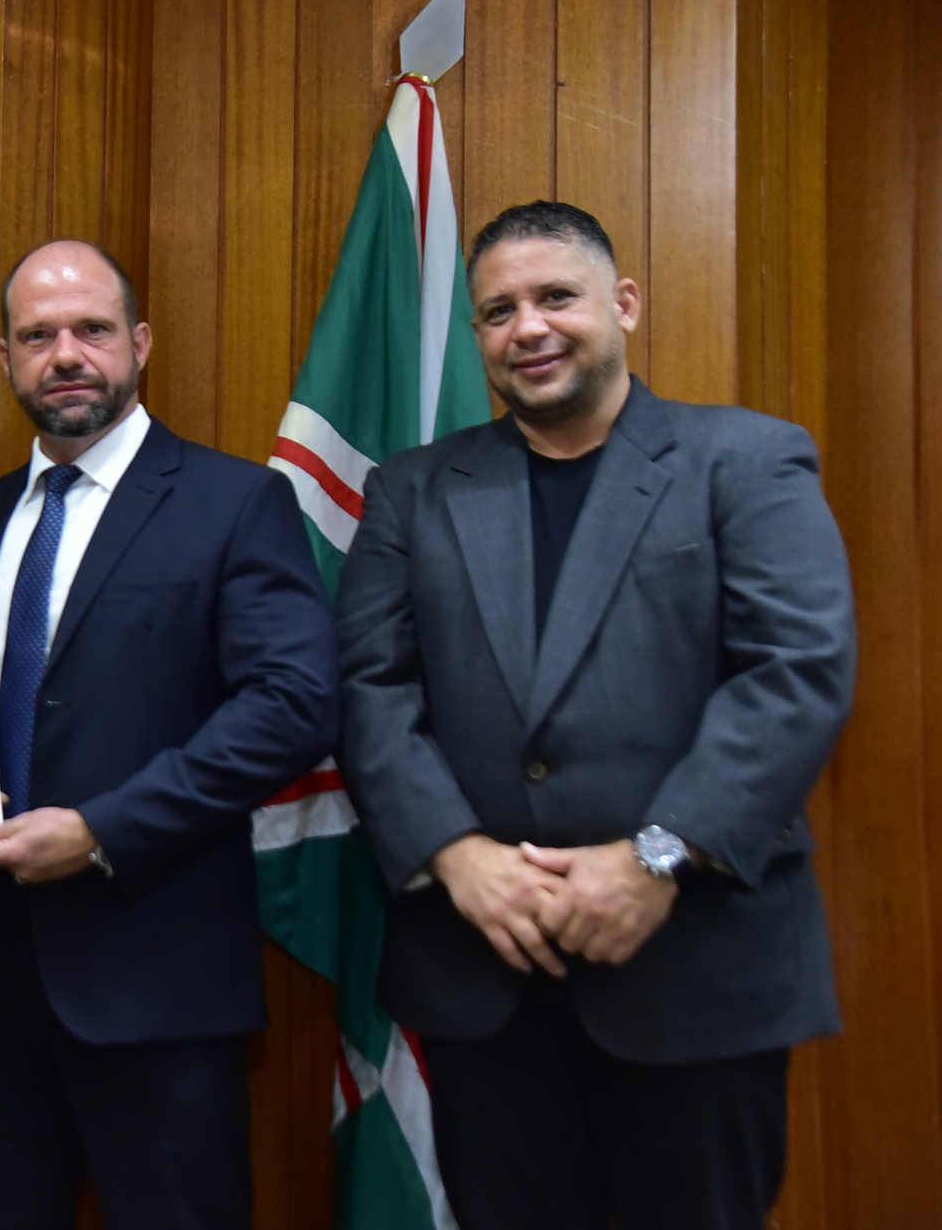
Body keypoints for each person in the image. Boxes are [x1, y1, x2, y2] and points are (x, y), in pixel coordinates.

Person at [337, 201, 856, 1230]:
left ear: (623, 303)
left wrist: (658, 856)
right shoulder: (412, 492)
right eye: (498, 311)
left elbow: (796, 672)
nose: (527, 328)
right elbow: (367, 686)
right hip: (486, 973)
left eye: (555, 298)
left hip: (696, 969)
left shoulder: (746, 459)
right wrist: (455, 855)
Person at [0, 240, 339, 1230]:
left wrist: (101, 829)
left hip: (160, 986)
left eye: (92, 329)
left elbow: (294, 703)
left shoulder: (233, 502)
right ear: (5, 358)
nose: (67, 355)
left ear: (141, 343)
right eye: (38, 336)